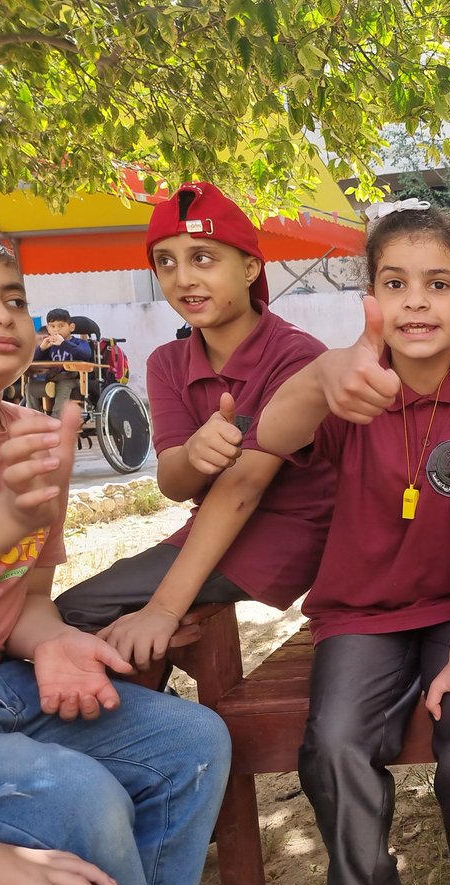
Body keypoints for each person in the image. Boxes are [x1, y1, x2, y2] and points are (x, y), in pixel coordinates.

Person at [257, 203, 450, 885]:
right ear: (371, 297)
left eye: (438, 284)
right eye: (395, 283)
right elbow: (275, 433)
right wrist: (322, 379)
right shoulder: (350, 379)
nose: (415, 302)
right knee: (335, 745)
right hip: (361, 611)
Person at [0, 231, 230, 885]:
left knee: (194, 743)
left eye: (12, 297)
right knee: (82, 801)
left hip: (4, 685)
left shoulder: (34, 441)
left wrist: (57, 641)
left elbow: (27, 596)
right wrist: (3, 520)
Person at [54, 182, 335, 671]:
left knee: (80, 610)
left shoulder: (296, 355)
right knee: (95, 615)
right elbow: (172, 485)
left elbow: (243, 489)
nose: (183, 279)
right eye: (166, 262)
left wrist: (163, 608)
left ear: (250, 267)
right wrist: (192, 455)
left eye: (203, 258)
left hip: (293, 532)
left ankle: (150, 735)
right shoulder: (168, 361)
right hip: (209, 526)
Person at [25, 307, 93, 418]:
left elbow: (85, 354)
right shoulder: (50, 345)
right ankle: (35, 417)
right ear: (48, 329)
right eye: (52, 326)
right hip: (53, 378)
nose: (56, 330)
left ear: (71, 327)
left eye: (61, 326)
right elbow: (34, 361)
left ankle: (56, 418)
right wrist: (42, 348)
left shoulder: (79, 343)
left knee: (64, 385)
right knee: (30, 386)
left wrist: (64, 344)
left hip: (75, 380)